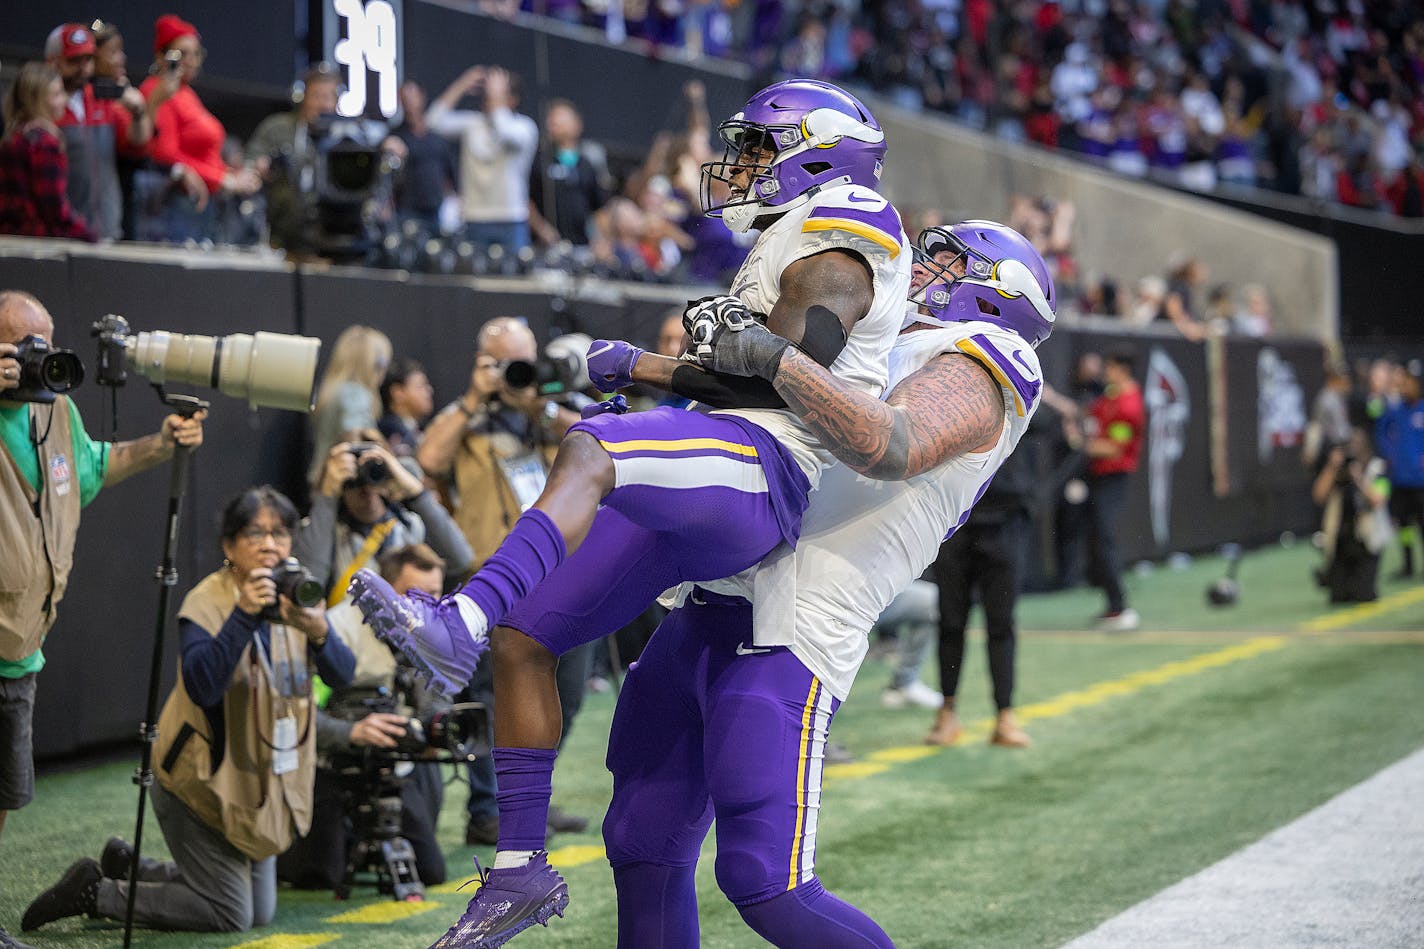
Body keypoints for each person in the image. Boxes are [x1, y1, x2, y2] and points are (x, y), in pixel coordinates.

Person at [349, 78, 907, 945]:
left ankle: (456, 616)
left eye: (760, 145)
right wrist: (648, 369)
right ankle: (516, 869)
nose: (741, 163)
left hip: (767, 470)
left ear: (818, 151)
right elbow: (751, 369)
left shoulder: (843, 244)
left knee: (590, 445)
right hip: (715, 453)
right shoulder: (789, 239)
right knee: (525, 638)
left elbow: (797, 378)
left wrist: (646, 367)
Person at [602, 219, 1054, 947]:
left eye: (944, 261)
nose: (920, 268)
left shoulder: (985, 356)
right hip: (714, 600)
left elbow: (889, 443)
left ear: (996, 295)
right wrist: (642, 366)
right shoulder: (886, 338)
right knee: (640, 838)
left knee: (765, 880)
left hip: (797, 620)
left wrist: (778, 358)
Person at [22, 486, 354, 934]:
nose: (269, 543)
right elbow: (203, 687)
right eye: (255, 532)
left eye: (280, 532)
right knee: (231, 914)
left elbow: (343, 675)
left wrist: (319, 631)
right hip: (200, 780)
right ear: (229, 545)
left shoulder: (298, 595)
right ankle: (95, 892)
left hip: (260, 781)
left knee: (261, 911)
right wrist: (243, 615)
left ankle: (133, 866)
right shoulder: (207, 600)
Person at [0, 290, 204, 949]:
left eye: (46, 339)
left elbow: (92, 469)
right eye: (21, 344)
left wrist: (160, 443)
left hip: (21, 648)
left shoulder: (56, 410)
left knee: (3, 797)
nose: (39, 356)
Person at [411, 317, 584, 847]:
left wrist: (542, 404)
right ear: (481, 363)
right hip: (493, 577)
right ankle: (490, 809)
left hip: (562, 574)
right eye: (501, 362)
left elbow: (593, 436)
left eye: (521, 360)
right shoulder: (465, 418)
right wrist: (472, 397)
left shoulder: (548, 411)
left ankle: (529, 797)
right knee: (493, 697)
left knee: (568, 695)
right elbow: (426, 459)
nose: (513, 372)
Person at [277, 543, 449, 892]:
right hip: (332, 767)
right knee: (322, 876)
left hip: (393, 771)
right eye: (413, 594)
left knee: (429, 871)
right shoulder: (337, 629)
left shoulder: (436, 630)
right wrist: (352, 732)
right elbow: (299, 713)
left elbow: (437, 703)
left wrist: (425, 728)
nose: (427, 605)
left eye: (435, 593)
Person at [923, 410, 1043, 748]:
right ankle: (947, 714)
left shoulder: (1019, 383)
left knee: (1001, 623)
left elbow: (1044, 419)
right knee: (950, 622)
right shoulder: (952, 384)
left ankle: (1005, 717)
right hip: (957, 522)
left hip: (1006, 524)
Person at [294, 431, 473, 603]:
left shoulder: (411, 525)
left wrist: (416, 493)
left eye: (373, 473)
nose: (365, 489)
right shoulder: (322, 531)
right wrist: (328, 497)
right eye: (353, 479)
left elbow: (460, 560)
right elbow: (309, 584)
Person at [136, 14, 261, 242]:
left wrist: (230, 174)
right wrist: (223, 180)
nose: (191, 60)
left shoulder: (186, 93)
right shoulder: (158, 90)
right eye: (182, 54)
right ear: (162, 56)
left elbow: (204, 154)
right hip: (178, 202)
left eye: (195, 53)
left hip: (200, 202)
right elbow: (165, 153)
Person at [45, 21, 167, 241]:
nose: (83, 68)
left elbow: (136, 147)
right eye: (74, 61)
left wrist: (140, 112)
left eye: (88, 59)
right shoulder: (45, 106)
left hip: (106, 228)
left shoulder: (102, 100)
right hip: (61, 231)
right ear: (53, 62)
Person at [427, 65, 539, 254]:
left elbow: (505, 133)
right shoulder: (473, 124)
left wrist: (497, 98)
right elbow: (432, 122)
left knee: (514, 281)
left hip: (511, 220)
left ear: (512, 99)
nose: (488, 97)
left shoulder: (524, 127)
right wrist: (461, 85)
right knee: (475, 281)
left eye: (497, 93)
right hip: (474, 219)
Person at [244, 63, 342, 256]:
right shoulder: (277, 128)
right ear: (302, 98)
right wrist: (258, 166)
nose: (324, 104)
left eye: (329, 97)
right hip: (281, 228)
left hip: (330, 231)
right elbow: (251, 160)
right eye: (317, 96)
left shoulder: (346, 138)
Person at [1082, 347, 1144, 631]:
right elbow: (1087, 415)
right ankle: (1112, 605)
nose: (1106, 373)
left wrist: (1083, 445)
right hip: (1096, 477)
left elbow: (1113, 448)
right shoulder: (1110, 396)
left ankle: (1120, 606)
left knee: (1104, 538)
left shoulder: (1129, 405)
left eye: (1110, 368)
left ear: (1122, 369)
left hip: (1113, 478)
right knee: (1096, 538)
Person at [0, 62, 95, 240]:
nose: (64, 100)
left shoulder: (14, 137)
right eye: (57, 94)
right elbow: (54, 208)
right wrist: (88, 235)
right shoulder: (44, 143)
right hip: (37, 243)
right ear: (37, 99)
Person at [307, 325, 392, 487]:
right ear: (376, 364)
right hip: (345, 487)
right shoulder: (355, 393)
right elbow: (353, 433)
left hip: (324, 482)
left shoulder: (332, 392)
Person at [1312, 428, 1390, 603]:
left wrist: (1359, 478)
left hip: (1367, 542)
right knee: (1338, 597)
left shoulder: (1378, 467)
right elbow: (1318, 495)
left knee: (1364, 596)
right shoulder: (1338, 471)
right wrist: (1332, 467)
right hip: (1341, 541)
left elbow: (1378, 500)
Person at [528, 98, 612, 249]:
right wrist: (542, 229)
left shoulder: (586, 164)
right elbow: (526, 201)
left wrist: (603, 241)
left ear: (577, 125)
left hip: (581, 244)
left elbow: (598, 208)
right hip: (546, 245)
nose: (553, 122)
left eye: (560, 117)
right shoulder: (539, 160)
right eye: (551, 118)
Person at [388, 80, 458, 234]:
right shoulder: (395, 137)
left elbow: (450, 177)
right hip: (406, 211)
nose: (409, 103)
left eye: (412, 97)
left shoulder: (437, 140)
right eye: (404, 98)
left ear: (421, 97)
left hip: (435, 211)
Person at [1374, 367, 1424, 579]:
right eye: (1403, 383)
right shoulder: (1395, 410)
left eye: (1409, 383)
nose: (1405, 387)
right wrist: (1389, 453)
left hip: (1420, 480)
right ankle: (1408, 564)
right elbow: (1380, 430)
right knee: (1403, 523)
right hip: (1400, 478)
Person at [378, 357, 436, 461]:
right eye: (420, 386)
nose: (429, 390)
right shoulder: (389, 431)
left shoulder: (417, 428)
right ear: (398, 393)